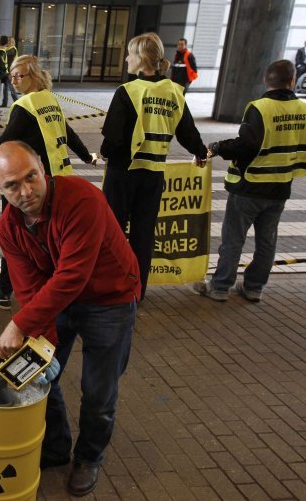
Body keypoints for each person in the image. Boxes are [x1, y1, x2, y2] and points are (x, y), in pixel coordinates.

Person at [0, 140, 140, 497]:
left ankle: (89, 457)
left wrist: (19, 324)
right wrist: (45, 351)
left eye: (31, 177)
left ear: (43, 167)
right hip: (57, 302)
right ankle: (56, 447)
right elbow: (28, 292)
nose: (26, 191)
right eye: (12, 185)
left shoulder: (81, 199)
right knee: (40, 374)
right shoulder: (9, 228)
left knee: (98, 390)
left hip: (110, 298)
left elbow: (72, 276)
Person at [0, 55, 96, 310]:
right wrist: (87, 157)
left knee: (13, 236)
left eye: (20, 75)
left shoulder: (26, 106)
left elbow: (2, 147)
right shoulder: (49, 100)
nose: (14, 80)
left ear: (34, 76)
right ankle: (54, 290)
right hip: (55, 181)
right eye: (11, 75)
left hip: (28, 184)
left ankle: (4, 292)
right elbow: (69, 133)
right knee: (49, 238)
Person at [100, 32, 207, 300]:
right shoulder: (175, 91)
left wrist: (103, 154)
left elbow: (113, 138)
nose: (126, 58)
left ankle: (111, 290)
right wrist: (200, 153)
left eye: (130, 54)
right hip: (154, 175)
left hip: (124, 172)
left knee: (113, 233)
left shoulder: (128, 91)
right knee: (143, 235)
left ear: (142, 58)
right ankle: (137, 292)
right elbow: (188, 133)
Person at [193, 60, 306, 302]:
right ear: (292, 81)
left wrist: (215, 147)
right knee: (267, 241)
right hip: (280, 187)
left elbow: (246, 145)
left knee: (233, 239)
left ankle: (220, 287)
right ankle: (254, 287)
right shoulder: (302, 109)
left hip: (250, 186)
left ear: (266, 80)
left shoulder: (260, 107)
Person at [0, 36, 19, 107]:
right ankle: (4, 103)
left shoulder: (13, 49)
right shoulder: (7, 49)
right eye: (9, 41)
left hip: (11, 71)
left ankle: (17, 103)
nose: (10, 42)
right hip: (6, 71)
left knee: (12, 89)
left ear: (13, 42)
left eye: (11, 41)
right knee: (5, 89)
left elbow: (8, 55)